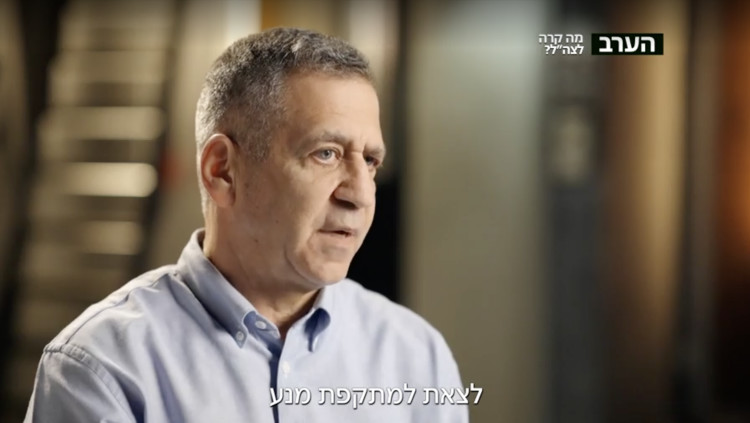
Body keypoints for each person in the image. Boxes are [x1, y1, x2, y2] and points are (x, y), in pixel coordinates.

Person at [24, 27, 468, 422]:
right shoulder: (102, 369)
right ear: (222, 171)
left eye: (370, 161)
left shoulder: (416, 357)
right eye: (326, 154)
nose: (361, 194)